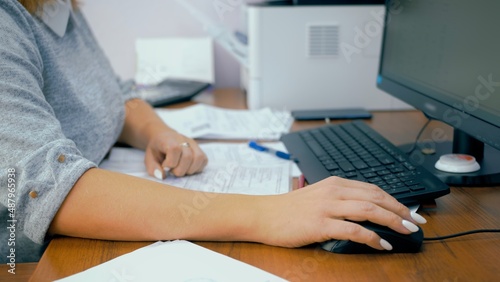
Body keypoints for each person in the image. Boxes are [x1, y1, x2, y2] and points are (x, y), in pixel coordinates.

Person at [0, 0, 426, 263]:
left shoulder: (56, 9)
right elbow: (42, 188)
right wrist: (269, 213)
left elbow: (116, 97)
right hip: (34, 260)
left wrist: (155, 131)